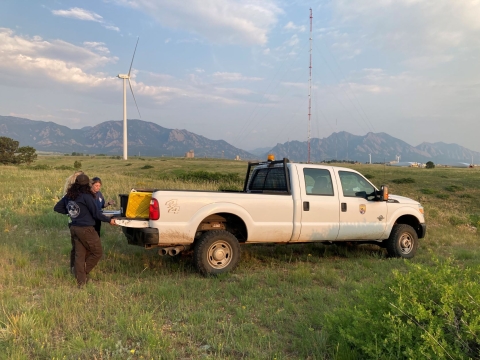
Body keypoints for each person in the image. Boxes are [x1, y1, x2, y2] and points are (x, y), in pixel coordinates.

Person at [54, 174, 116, 287]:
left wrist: (72, 213)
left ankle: (81, 280)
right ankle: (81, 272)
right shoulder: (87, 196)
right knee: (97, 252)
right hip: (86, 229)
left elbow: (57, 208)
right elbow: (96, 213)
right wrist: (109, 220)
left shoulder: (69, 195)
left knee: (80, 254)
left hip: (74, 227)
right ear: (87, 184)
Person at [63, 171, 84, 274]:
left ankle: (74, 268)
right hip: (78, 223)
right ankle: (78, 270)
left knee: (75, 247)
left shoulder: (68, 194)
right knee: (79, 248)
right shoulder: (77, 195)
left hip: (72, 222)